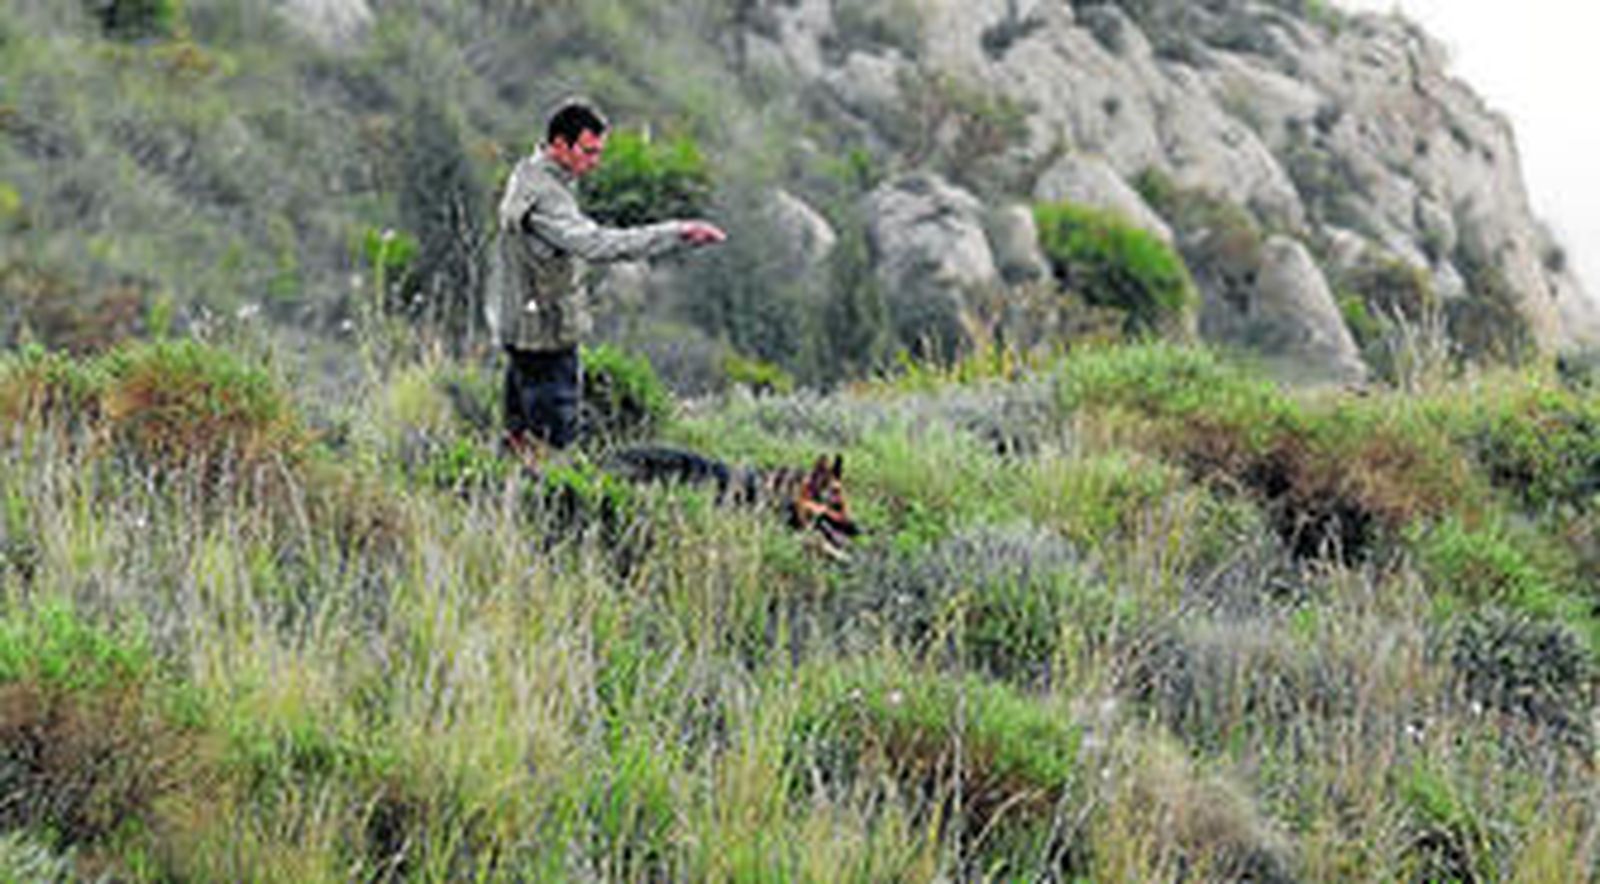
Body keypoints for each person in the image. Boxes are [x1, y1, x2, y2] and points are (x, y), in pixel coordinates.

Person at [488, 99, 726, 467]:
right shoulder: (546, 197)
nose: (595, 161)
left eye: (598, 152)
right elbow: (597, 245)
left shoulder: (531, 174)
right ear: (559, 145)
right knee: (555, 454)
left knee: (519, 446)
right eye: (588, 151)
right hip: (546, 340)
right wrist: (677, 232)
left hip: (524, 331)